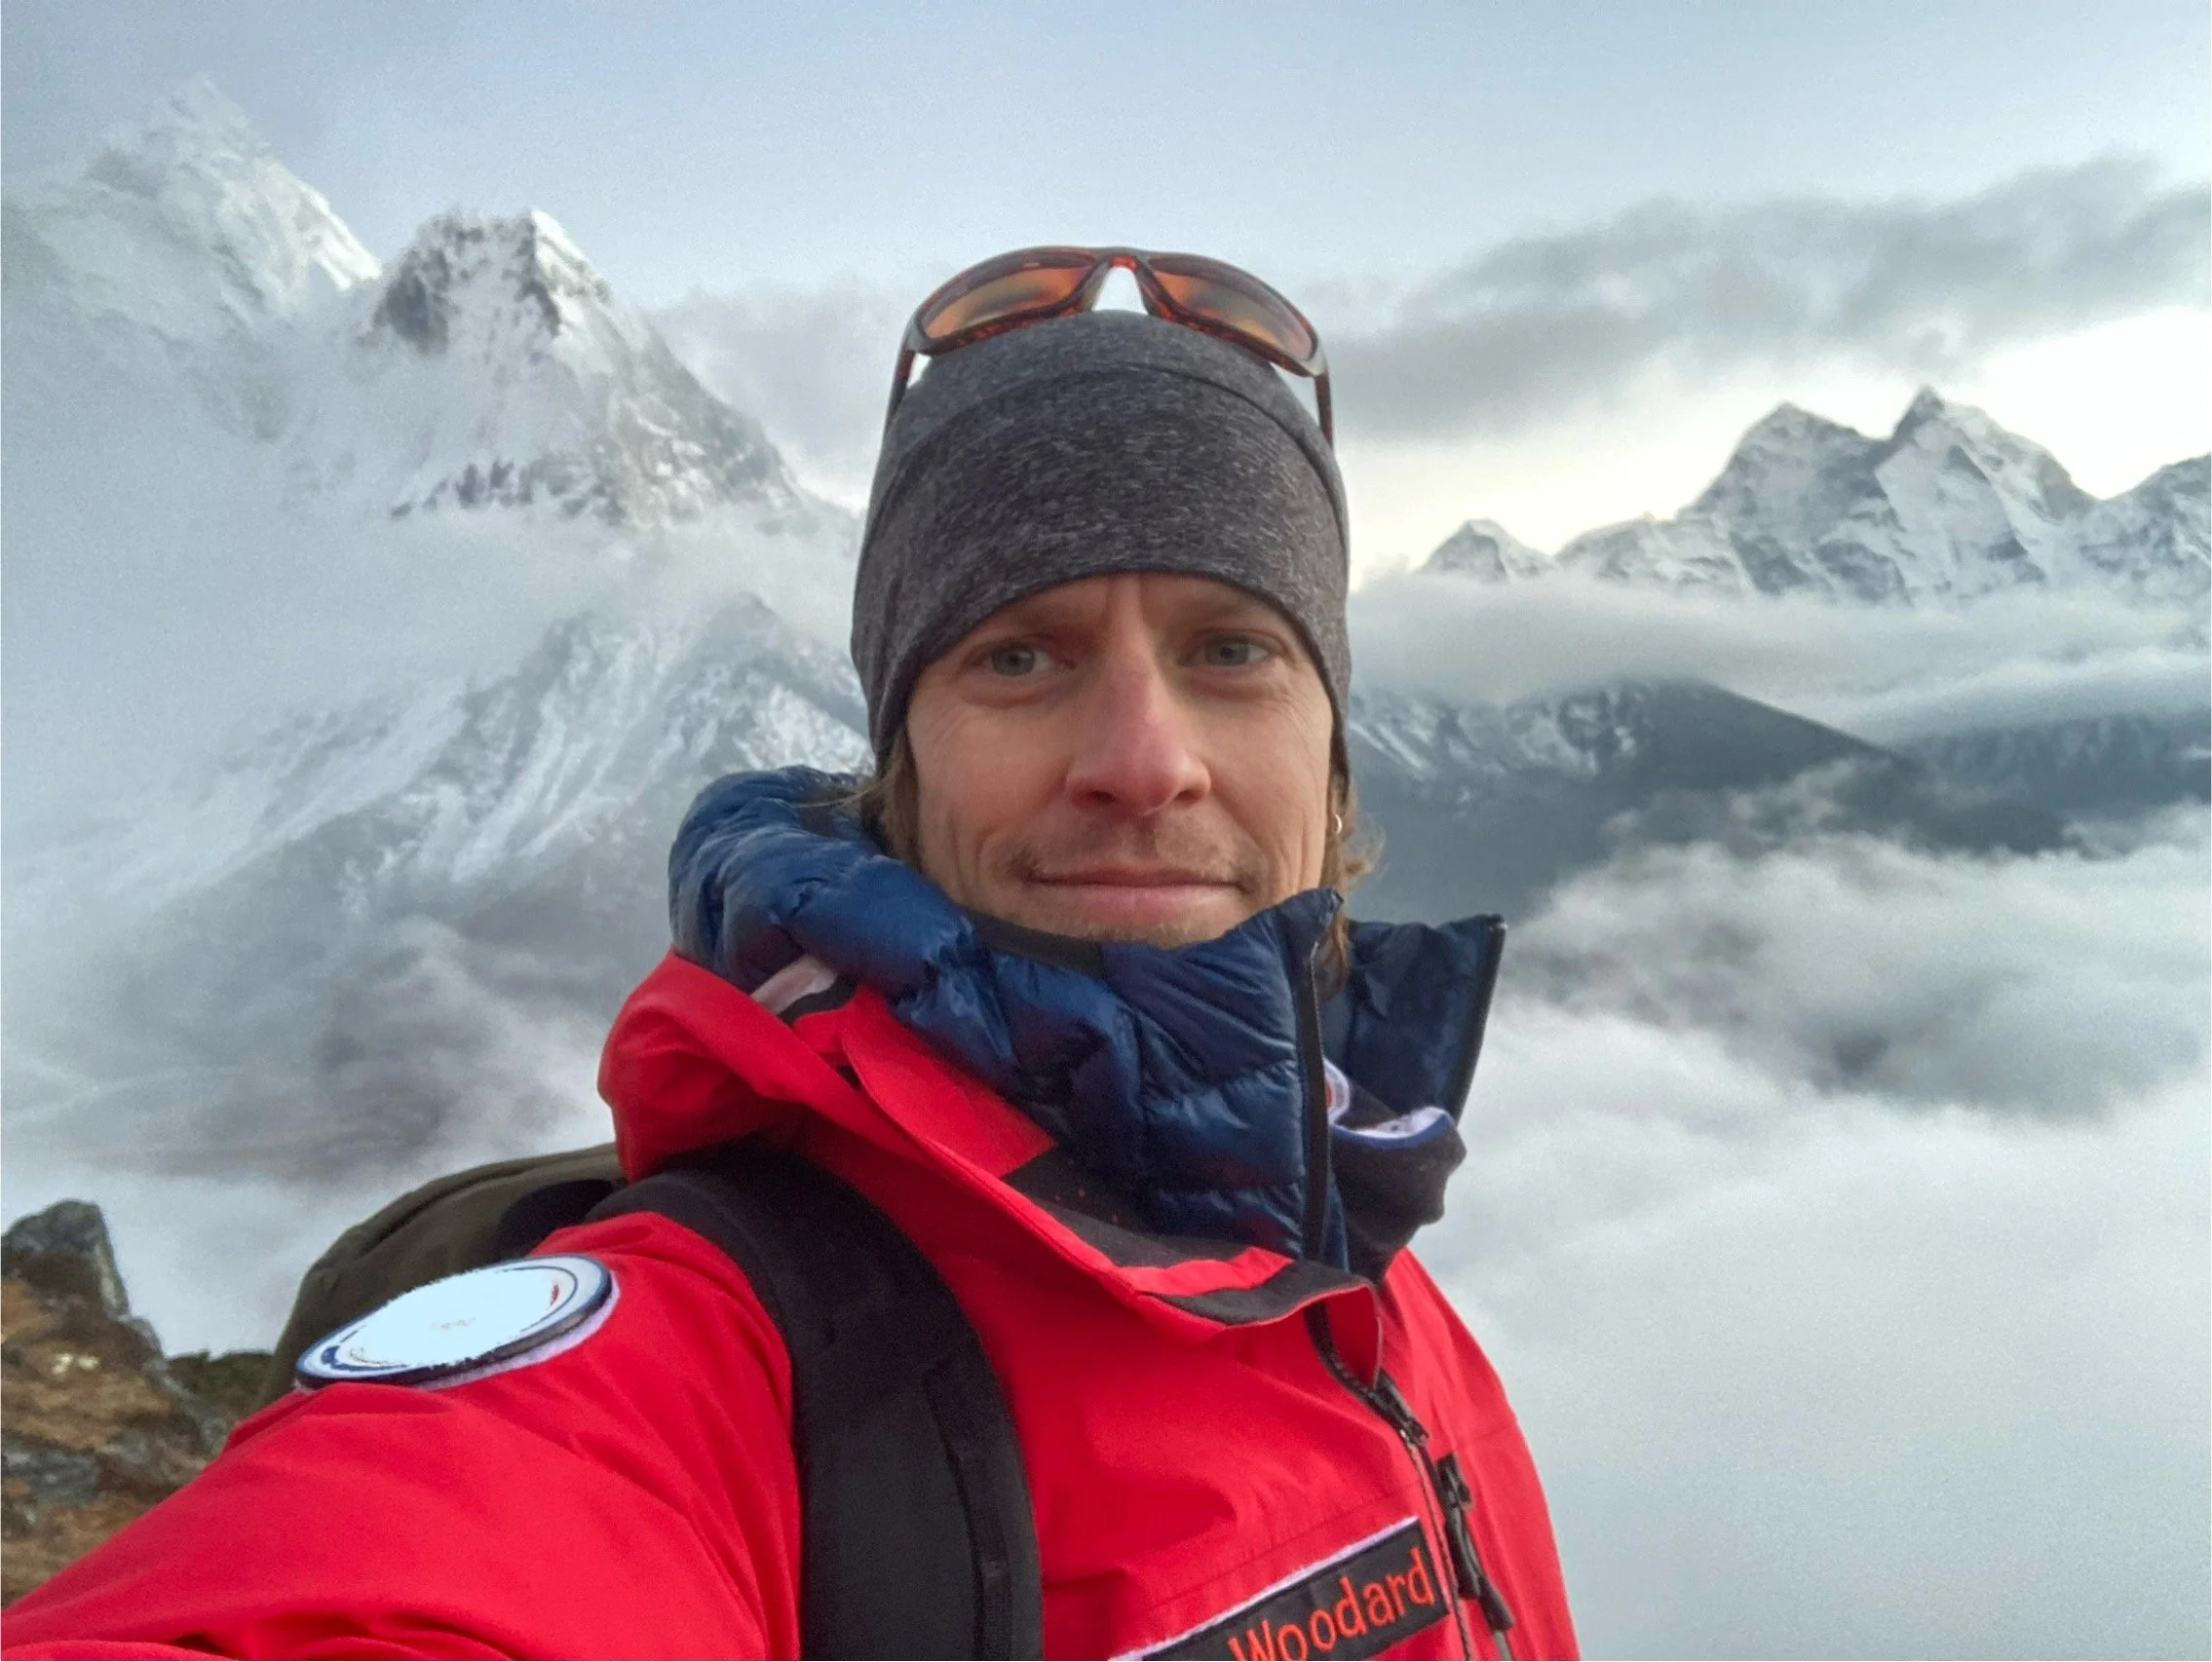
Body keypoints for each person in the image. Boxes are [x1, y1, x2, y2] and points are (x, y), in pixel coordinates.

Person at [4, 248, 1578, 1660]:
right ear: (899, 768)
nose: (1141, 757)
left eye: (1230, 650)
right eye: (1017, 656)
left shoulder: (1362, 1235)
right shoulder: (733, 1345)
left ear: (1332, 747)